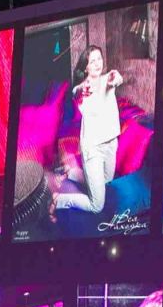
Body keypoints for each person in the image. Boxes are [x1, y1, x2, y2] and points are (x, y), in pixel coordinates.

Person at [53, 46, 123, 219]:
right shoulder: (81, 88)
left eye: (99, 58)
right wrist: (82, 90)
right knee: (97, 205)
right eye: (92, 61)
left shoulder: (108, 79)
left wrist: (115, 77)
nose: (98, 63)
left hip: (111, 144)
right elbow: (77, 93)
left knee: (107, 182)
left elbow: (117, 79)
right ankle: (58, 200)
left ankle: (71, 172)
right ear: (86, 68)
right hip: (93, 149)